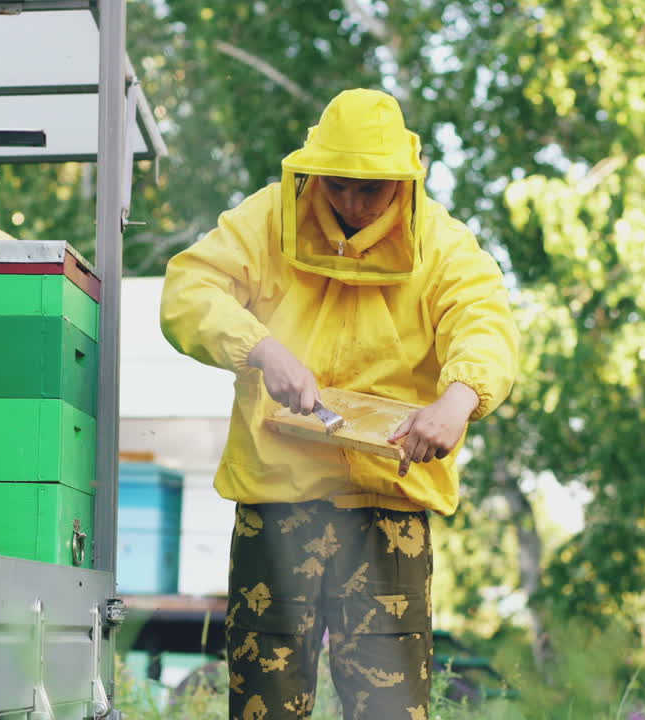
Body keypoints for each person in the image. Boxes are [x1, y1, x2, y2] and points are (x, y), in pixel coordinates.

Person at [159, 88, 518, 719]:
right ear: (312, 171)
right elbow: (190, 289)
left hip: (388, 502)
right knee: (263, 704)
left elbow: (485, 324)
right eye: (337, 185)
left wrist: (458, 400)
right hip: (277, 500)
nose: (351, 204)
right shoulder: (267, 219)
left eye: (370, 189)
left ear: (404, 182)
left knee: (389, 706)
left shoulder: (444, 244)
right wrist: (261, 350)